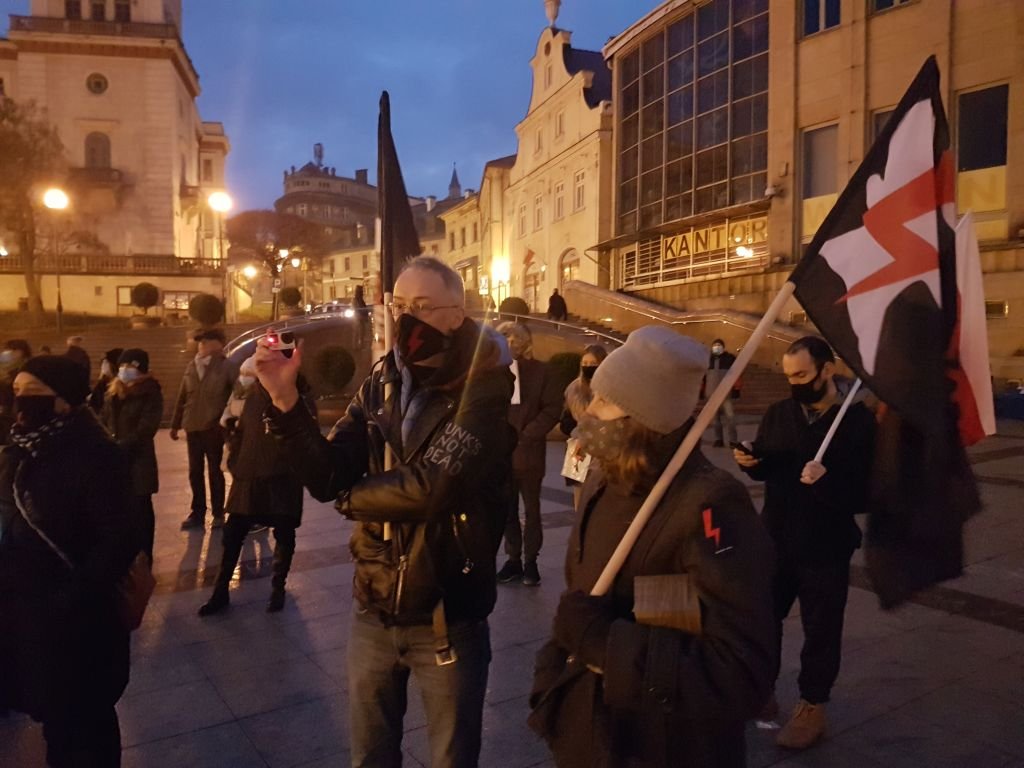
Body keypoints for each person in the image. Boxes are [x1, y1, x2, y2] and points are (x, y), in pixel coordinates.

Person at [255, 255, 514, 768]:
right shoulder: (382, 381)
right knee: (370, 755)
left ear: (456, 315)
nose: (406, 318)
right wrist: (286, 402)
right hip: (373, 606)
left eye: (421, 306)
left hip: (448, 612)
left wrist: (352, 498)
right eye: (398, 305)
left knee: (451, 757)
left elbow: (433, 487)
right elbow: (328, 473)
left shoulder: (484, 386)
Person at [529, 326, 776, 768]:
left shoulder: (711, 503)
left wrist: (601, 642)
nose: (589, 411)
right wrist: (553, 678)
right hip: (589, 736)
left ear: (644, 417)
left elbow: (740, 669)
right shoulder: (602, 480)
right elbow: (579, 599)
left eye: (604, 401)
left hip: (661, 747)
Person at [733, 336, 876, 750]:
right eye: (788, 375)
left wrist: (827, 481)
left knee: (821, 628)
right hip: (775, 537)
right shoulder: (780, 413)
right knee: (763, 619)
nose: (794, 383)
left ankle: (813, 704)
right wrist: (751, 461)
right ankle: (762, 690)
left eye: (802, 375)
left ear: (827, 370)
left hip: (825, 544)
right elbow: (770, 465)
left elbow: (870, 491)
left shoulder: (857, 422)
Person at [0, 355, 138, 767]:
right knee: (56, 723)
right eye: (17, 392)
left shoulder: (97, 455)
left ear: (63, 400)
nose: (21, 402)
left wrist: (66, 600)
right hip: (26, 617)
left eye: (34, 393)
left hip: (78, 622)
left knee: (86, 727)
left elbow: (118, 541)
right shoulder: (17, 452)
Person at [199, 366, 315, 615]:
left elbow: (308, 435)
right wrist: (235, 460)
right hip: (249, 477)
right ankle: (220, 591)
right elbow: (240, 428)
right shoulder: (253, 394)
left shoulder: (299, 393)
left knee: (284, 534)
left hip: (282, 478)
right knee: (232, 535)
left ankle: (278, 588)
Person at [495, 322, 562, 587]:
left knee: (532, 510)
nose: (510, 342)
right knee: (508, 510)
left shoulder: (542, 372)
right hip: (501, 454)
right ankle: (513, 559)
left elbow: (552, 408)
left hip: (530, 453)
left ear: (524, 342)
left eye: (514, 338)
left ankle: (531, 560)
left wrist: (528, 434)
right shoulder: (492, 373)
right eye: (504, 338)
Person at [170, 328, 237, 530]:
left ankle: (218, 513)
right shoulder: (192, 366)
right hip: (193, 427)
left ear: (218, 343)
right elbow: (183, 396)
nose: (202, 345)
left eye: (206, 341)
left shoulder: (227, 366)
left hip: (214, 428)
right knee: (195, 471)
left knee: (215, 471)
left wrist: (228, 423)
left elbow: (236, 396)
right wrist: (175, 424)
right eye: (200, 342)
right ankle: (197, 512)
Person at [102, 348, 163, 561]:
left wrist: (120, 446)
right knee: (120, 509)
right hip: (115, 461)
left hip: (138, 460)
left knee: (141, 509)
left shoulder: (150, 392)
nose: (124, 370)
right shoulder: (112, 392)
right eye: (122, 366)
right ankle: (125, 555)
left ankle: (145, 555)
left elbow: (146, 429)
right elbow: (104, 421)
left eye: (130, 366)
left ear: (141, 370)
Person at [559, 344, 609, 509]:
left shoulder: (609, 388)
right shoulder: (574, 388)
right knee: (579, 500)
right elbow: (566, 419)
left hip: (601, 447)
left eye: (593, 364)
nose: (588, 368)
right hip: (578, 447)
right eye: (585, 364)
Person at [705, 338, 738, 447]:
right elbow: (704, 377)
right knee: (715, 420)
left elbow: (736, 374)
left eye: (719, 345)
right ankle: (718, 439)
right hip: (712, 394)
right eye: (715, 345)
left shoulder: (729, 359)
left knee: (730, 418)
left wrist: (735, 390)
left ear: (723, 347)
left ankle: (733, 440)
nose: (717, 347)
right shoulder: (708, 360)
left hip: (726, 394)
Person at [0, 339, 32, 444]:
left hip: (20, 410)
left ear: (21, 351)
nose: (8, 354)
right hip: (7, 408)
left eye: (12, 350)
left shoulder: (28, 367)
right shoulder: (6, 368)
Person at [90, 347, 125, 414]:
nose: (103, 365)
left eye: (106, 362)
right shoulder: (102, 384)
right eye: (103, 362)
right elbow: (94, 406)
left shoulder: (127, 385)